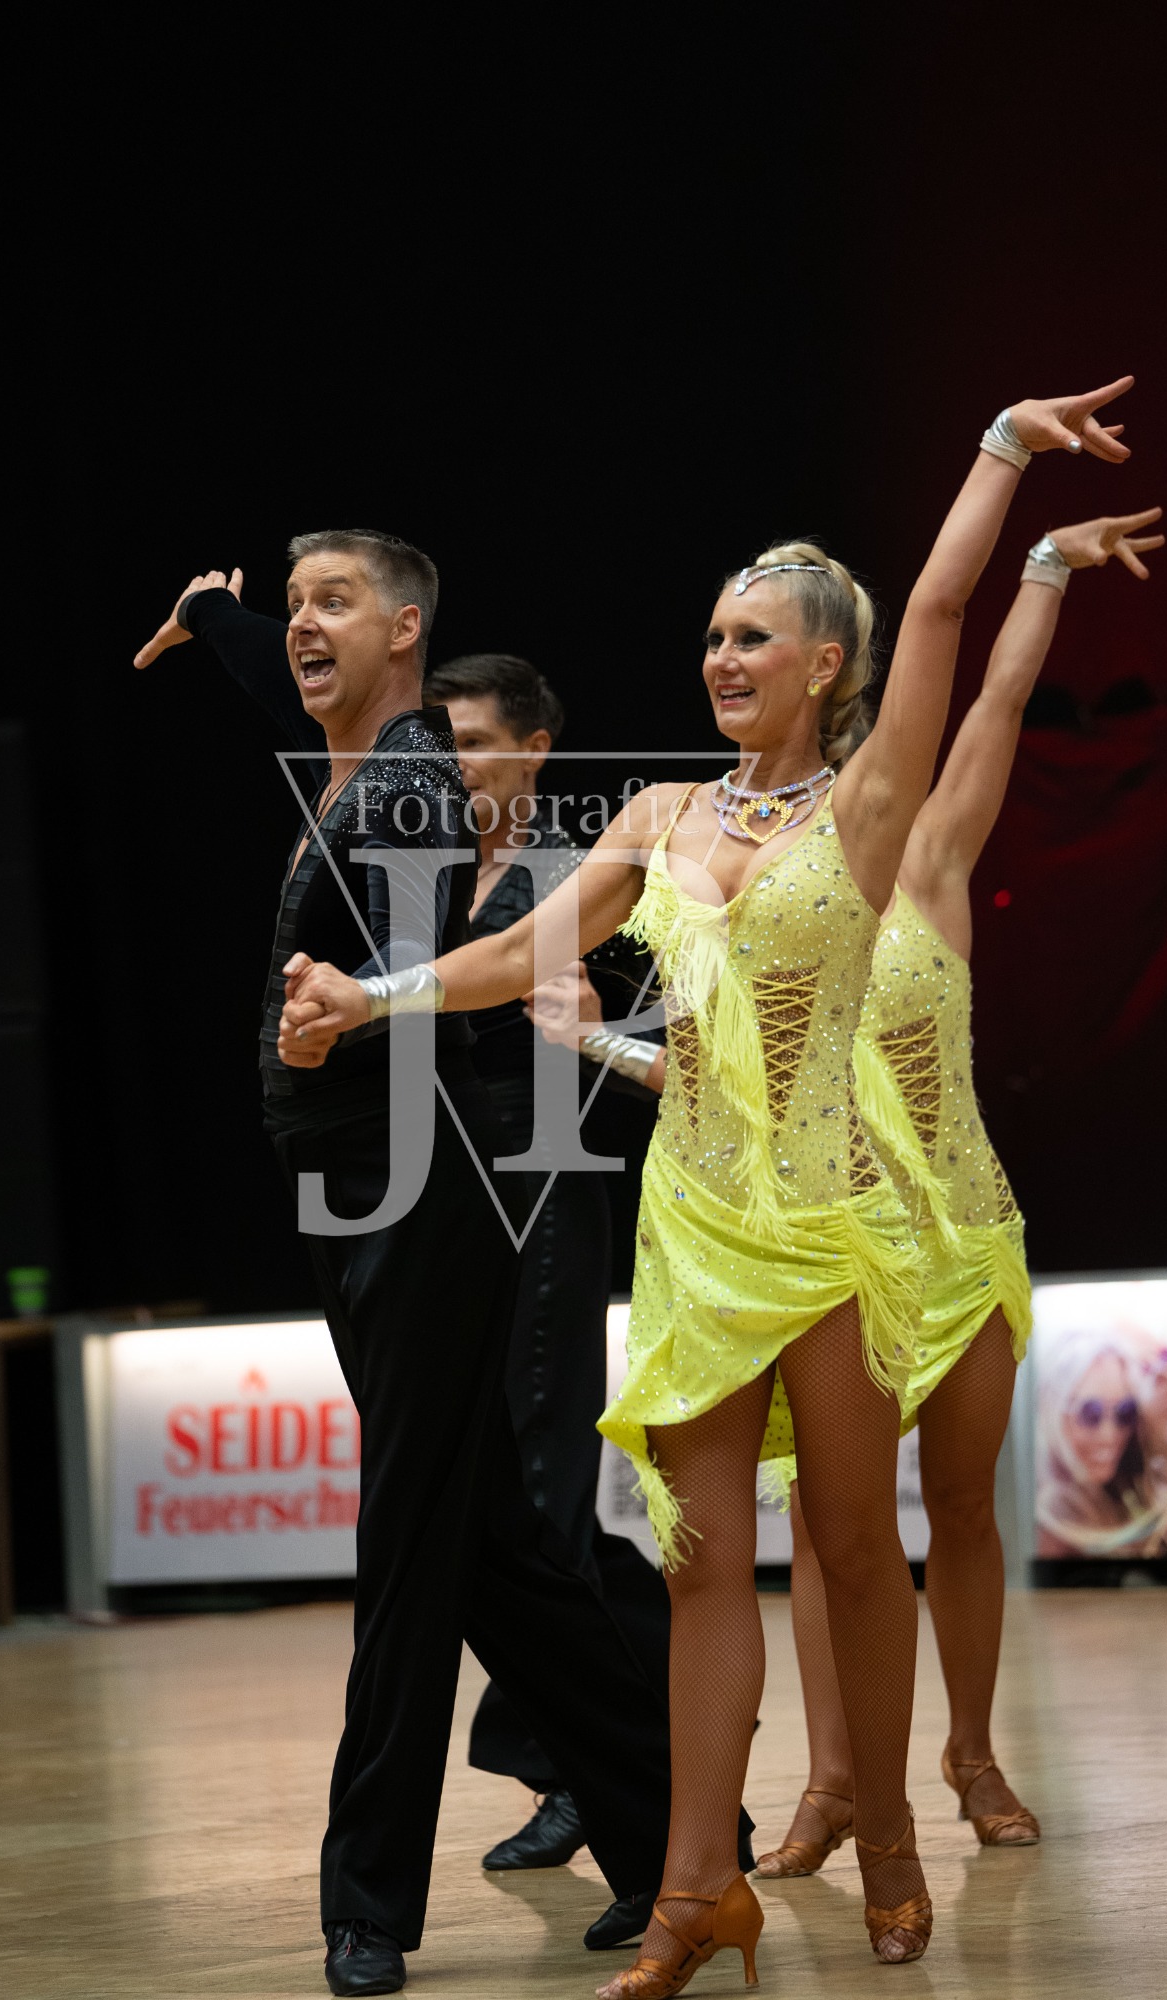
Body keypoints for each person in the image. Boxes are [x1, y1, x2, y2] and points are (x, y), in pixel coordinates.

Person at [279, 380, 1135, 1993]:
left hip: (831, 1224)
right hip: (692, 1226)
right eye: (711, 638)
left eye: (753, 639)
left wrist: (1002, 456)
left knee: (853, 1546)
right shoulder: (660, 813)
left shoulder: (874, 807)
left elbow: (938, 614)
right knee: (694, 1571)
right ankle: (694, 1892)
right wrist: (371, 1001)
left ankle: (890, 1835)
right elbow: (519, 955)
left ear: (824, 666)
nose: (721, 659)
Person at [544, 509, 1163, 1870]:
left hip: (957, 1226)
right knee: (836, 1532)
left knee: (959, 1507)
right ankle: (833, 1786)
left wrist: (1045, 571)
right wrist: (590, 1036)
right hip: (828, 1232)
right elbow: (698, 1074)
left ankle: (970, 1753)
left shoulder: (923, 853)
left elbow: (995, 699)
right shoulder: (753, 891)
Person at [132, 534, 672, 1999]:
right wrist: (213, 617)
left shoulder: (412, 785)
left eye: (336, 604)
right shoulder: (356, 746)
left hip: (420, 1189)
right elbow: (277, 677)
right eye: (295, 604)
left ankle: (365, 1901)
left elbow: (449, 978)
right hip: (357, 1189)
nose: (304, 627)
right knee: (486, 1537)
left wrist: (353, 1005)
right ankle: (679, 1836)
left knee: (411, 1544)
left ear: (407, 630)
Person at [421, 654, 755, 1930]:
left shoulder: (589, 877)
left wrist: (601, 1024)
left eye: (471, 741)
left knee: (544, 1496)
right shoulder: (428, 875)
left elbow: (695, 1036)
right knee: (501, 1506)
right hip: (451, 1204)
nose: (451, 765)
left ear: (535, 747)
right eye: (440, 742)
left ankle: (632, 1783)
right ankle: (614, 1753)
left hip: (549, 1197)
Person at [1036, 1321, 1167, 1557]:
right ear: (1051, 1411)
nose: (1109, 1435)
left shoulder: (1126, 1487)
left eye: (1125, 1412)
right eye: (1090, 1414)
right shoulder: (1044, 1523)